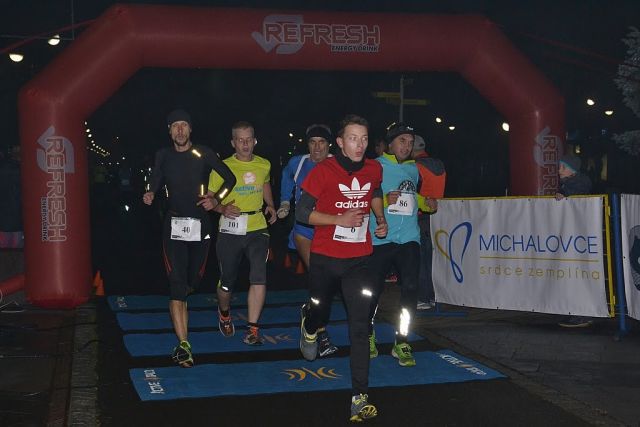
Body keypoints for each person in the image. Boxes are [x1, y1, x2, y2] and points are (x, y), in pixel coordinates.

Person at [296, 114, 387, 422]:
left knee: (359, 327)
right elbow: (302, 213)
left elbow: (374, 190)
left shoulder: (374, 168)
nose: (359, 145)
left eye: (364, 139)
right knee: (320, 311)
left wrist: (381, 218)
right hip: (325, 257)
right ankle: (310, 325)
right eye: (352, 138)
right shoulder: (324, 170)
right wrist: (339, 220)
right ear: (340, 142)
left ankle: (359, 398)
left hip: (359, 260)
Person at [143, 109, 236, 368]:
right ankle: (184, 344)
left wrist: (216, 199)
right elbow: (155, 177)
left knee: (191, 282)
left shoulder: (203, 153)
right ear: (169, 131)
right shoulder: (163, 155)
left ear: (190, 129)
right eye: (175, 126)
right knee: (176, 283)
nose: (180, 130)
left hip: (200, 225)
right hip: (173, 224)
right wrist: (150, 191)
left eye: (184, 125)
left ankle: (186, 292)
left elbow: (230, 178)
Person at [367, 123, 432, 367]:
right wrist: (385, 200)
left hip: (409, 238)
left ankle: (402, 341)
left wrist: (426, 203)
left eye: (410, 142)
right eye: (402, 141)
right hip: (381, 238)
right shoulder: (375, 166)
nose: (406, 146)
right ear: (390, 143)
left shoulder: (414, 169)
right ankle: (367, 334)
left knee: (411, 288)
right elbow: (363, 198)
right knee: (372, 290)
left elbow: (411, 196)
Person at [208, 121, 277, 345]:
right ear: (233, 142)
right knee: (227, 281)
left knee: (259, 275)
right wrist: (222, 208)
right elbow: (208, 200)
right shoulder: (222, 167)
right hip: (231, 229)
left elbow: (264, 184)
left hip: (257, 227)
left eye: (249, 140)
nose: (245, 144)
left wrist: (270, 205)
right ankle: (224, 312)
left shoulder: (264, 164)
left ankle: (253, 329)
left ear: (255, 141)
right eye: (240, 140)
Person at [277, 124, 338, 357]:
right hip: (304, 229)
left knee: (328, 281)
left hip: (330, 229)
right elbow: (286, 177)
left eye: (322, 142)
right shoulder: (298, 163)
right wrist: (285, 202)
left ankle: (309, 313)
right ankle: (319, 333)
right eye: (313, 142)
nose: (317, 147)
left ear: (329, 145)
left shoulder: (338, 164)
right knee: (318, 277)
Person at [556, 153, 593, 328]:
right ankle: (575, 312)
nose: (559, 170)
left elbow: (580, 191)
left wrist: (564, 194)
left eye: (563, 167)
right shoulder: (566, 184)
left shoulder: (580, 182)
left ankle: (582, 314)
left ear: (572, 170)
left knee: (579, 274)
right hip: (573, 236)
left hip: (580, 237)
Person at [411, 134, 446, 310]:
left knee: (420, 259)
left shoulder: (415, 167)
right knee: (433, 259)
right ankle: (433, 296)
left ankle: (423, 298)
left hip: (420, 215)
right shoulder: (439, 165)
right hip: (438, 216)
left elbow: (414, 192)